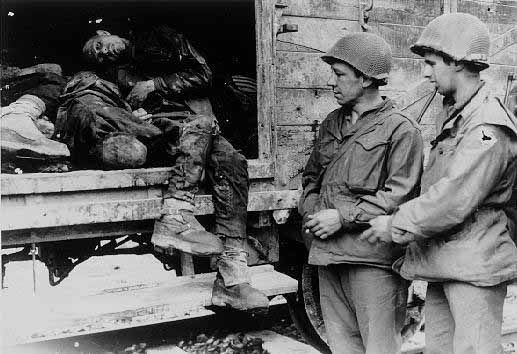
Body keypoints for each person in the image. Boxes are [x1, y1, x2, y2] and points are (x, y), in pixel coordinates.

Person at [55, 26, 269, 310]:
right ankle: (174, 217)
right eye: (98, 55)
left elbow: (203, 75)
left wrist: (155, 85)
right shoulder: (112, 74)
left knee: (233, 162)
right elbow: (108, 107)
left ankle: (233, 279)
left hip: (193, 119)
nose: (103, 52)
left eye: (99, 44)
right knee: (199, 130)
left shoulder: (157, 38)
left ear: (104, 31)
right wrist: (132, 113)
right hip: (161, 128)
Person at [361, 13, 517, 353]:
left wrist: (395, 224)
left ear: (458, 63)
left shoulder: (485, 125)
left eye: (431, 63)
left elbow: (453, 198)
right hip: (446, 261)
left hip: (474, 267)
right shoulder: (457, 114)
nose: (426, 72)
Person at [298, 32, 424, 354]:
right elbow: (312, 178)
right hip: (327, 256)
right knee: (342, 348)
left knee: (379, 348)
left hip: (372, 261)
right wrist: (312, 211)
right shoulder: (331, 123)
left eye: (340, 75)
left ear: (366, 78)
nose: (333, 83)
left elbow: (400, 194)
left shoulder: (400, 128)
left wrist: (342, 217)